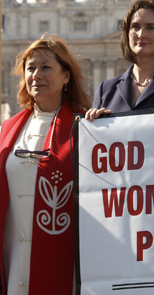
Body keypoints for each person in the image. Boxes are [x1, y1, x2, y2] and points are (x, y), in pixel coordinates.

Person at [0, 35, 91, 295]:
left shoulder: (84, 127)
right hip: (12, 254)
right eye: (30, 68)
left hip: (60, 257)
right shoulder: (8, 129)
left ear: (66, 76)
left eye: (46, 67)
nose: (36, 75)